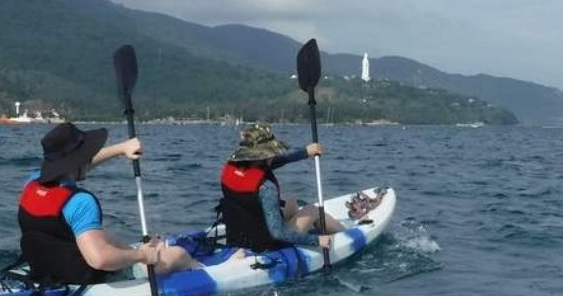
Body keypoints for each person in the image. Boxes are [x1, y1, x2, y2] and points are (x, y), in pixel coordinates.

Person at [18, 121, 198, 285]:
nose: (89, 158)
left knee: (101, 234)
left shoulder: (31, 183)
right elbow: (100, 260)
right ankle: (201, 269)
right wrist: (143, 255)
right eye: (86, 155)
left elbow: (79, 166)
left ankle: (141, 251)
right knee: (178, 255)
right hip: (85, 277)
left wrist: (121, 149)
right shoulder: (80, 202)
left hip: (46, 268)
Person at [217, 123, 346, 252]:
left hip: (238, 236)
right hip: (265, 244)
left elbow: (277, 161)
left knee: (291, 201)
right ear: (266, 155)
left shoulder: (232, 168)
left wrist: (306, 152)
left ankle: (320, 226)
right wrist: (316, 241)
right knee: (314, 210)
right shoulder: (267, 188)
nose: (274, 155)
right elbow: (277, 234)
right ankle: (349, 233)